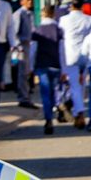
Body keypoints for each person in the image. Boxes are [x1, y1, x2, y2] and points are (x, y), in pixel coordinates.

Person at [59, 0, 91, 129]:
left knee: (74, 86)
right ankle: (77, 110)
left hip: (69, 56)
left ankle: (78, 111)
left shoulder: (64, 20)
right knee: (81, 85)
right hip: (84, 56)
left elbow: (61, 39)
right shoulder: (89, 20)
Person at [29, 7, 66, 136]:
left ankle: (48, 118)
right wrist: (64, 69)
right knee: (55, 91)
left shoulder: (37, 30)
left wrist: (30, 67)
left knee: (45, 93)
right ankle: (57, 106)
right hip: (56, 65)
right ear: (53, 14)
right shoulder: (59, 30)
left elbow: (33, 49)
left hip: (42, 65)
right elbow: (62, 51)